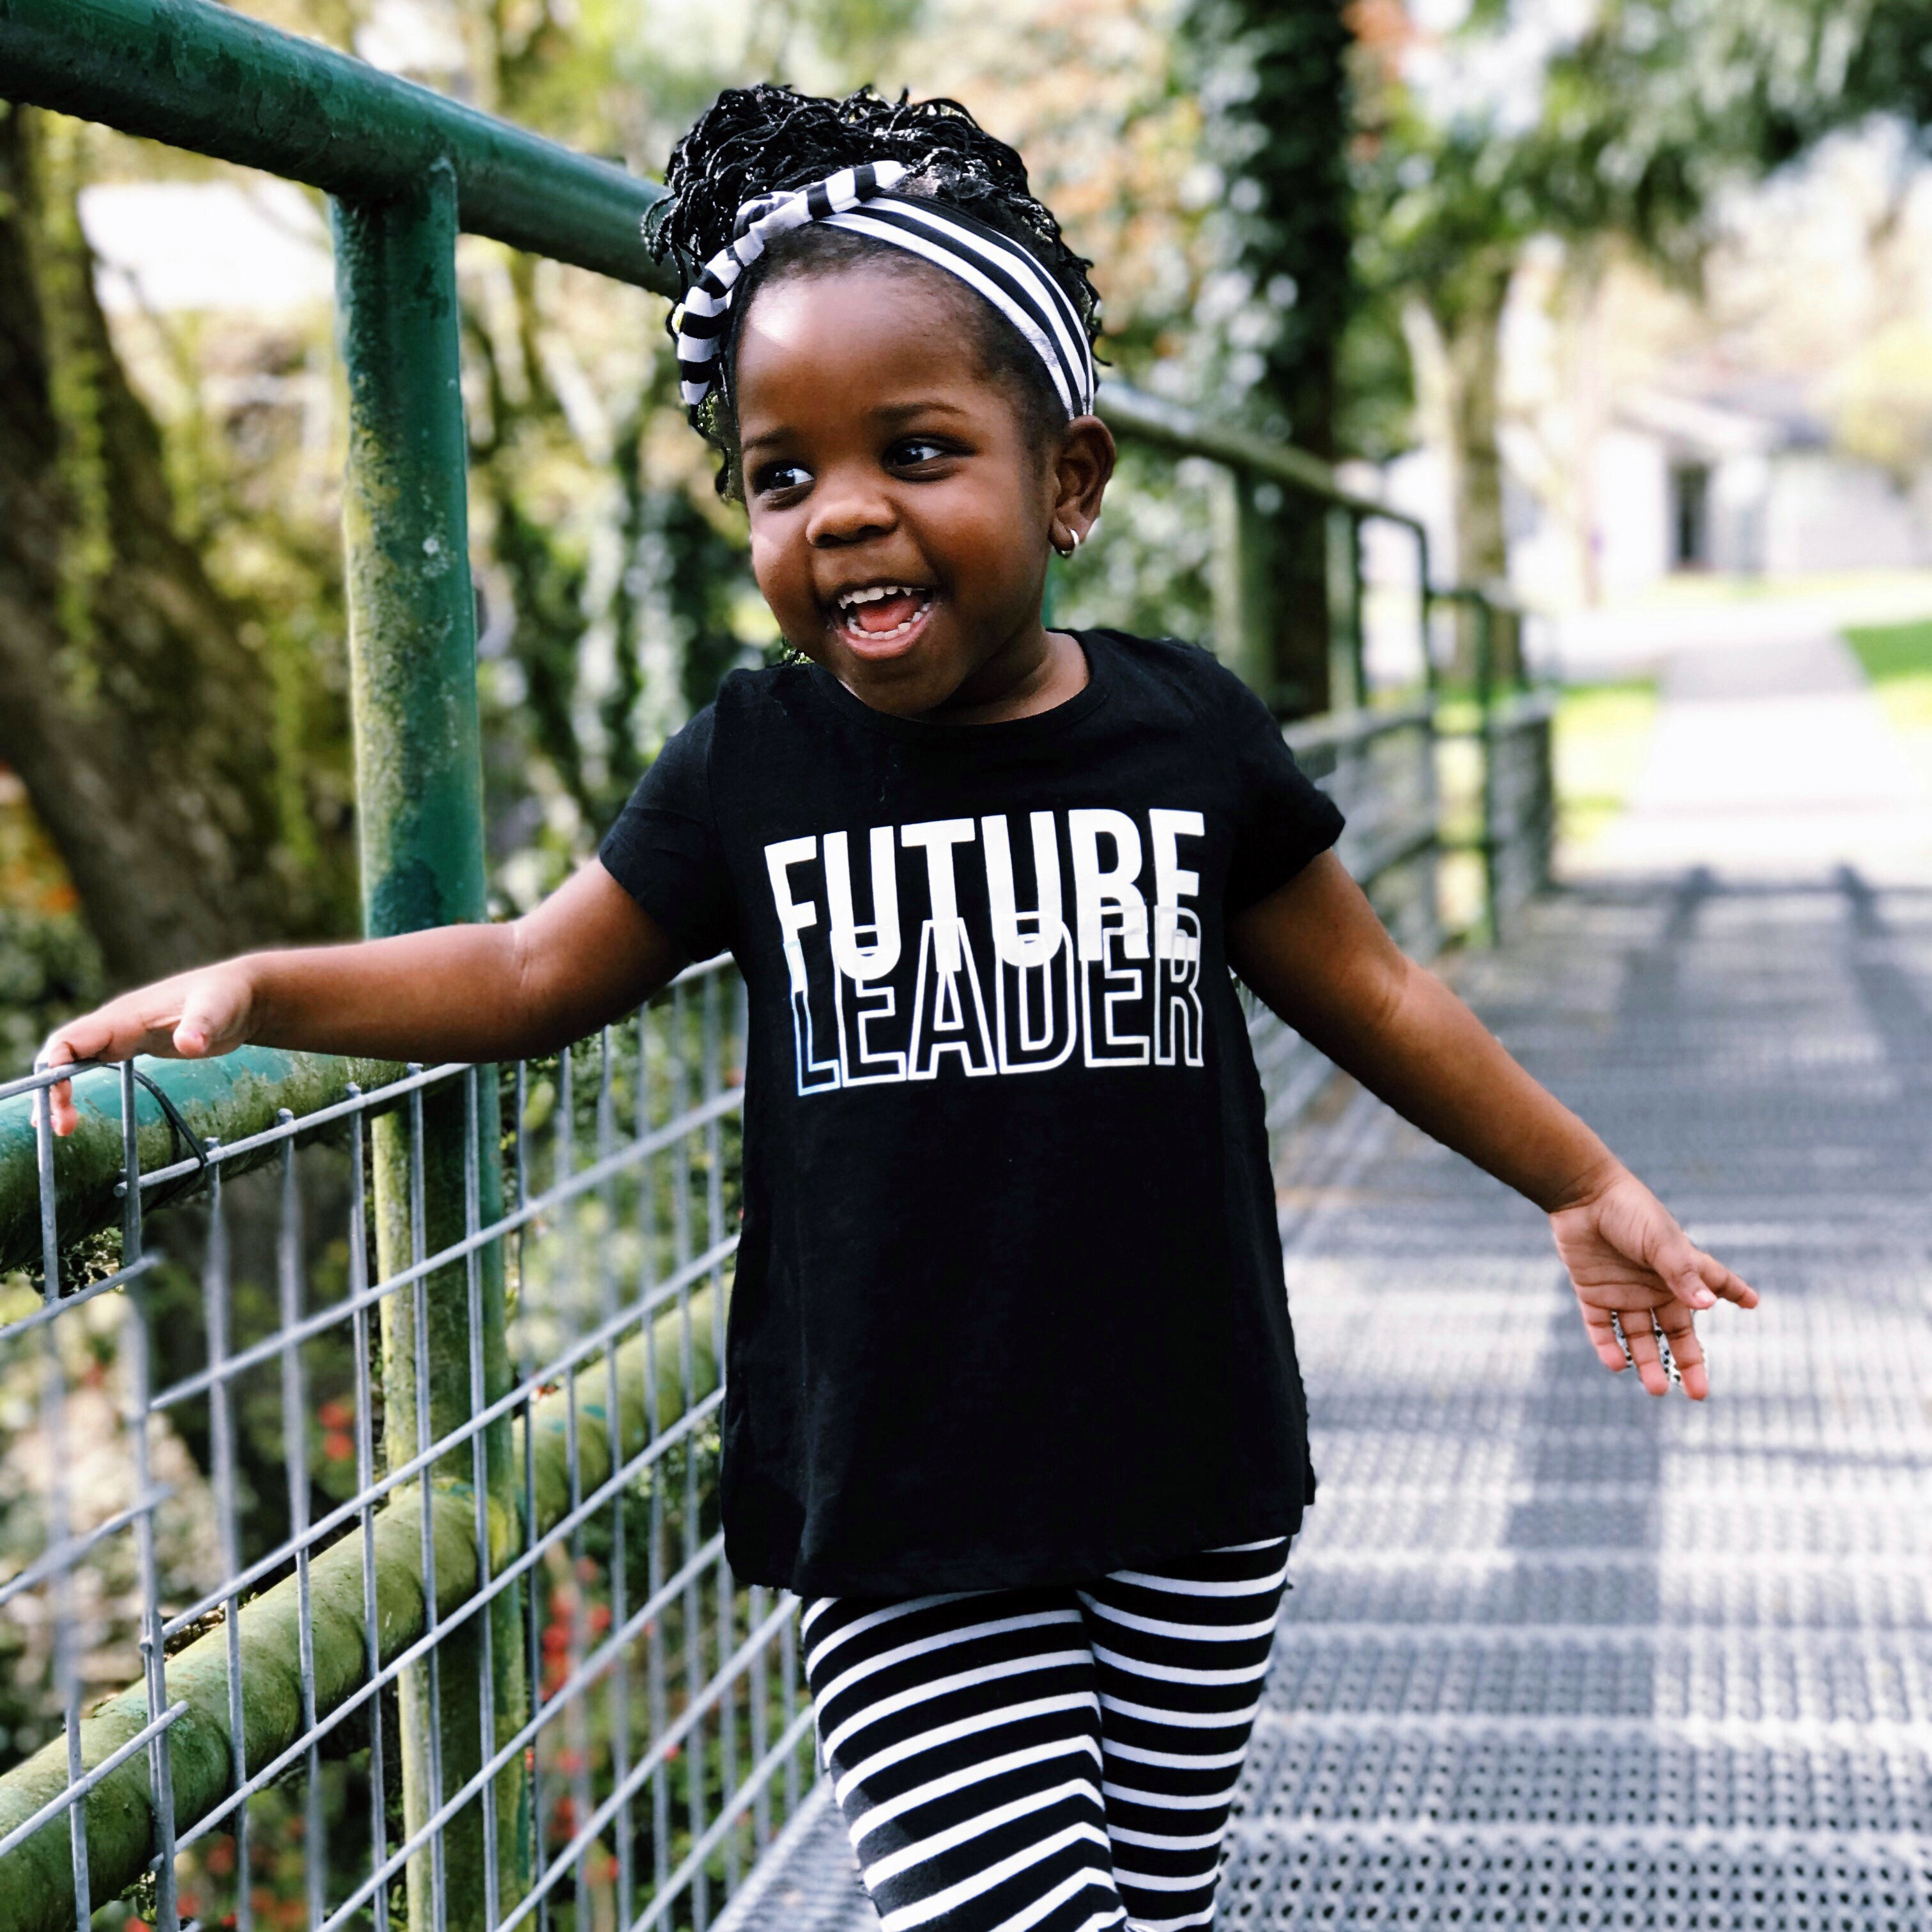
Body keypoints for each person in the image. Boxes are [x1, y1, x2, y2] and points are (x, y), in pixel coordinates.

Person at [42, 86, 1756, 1932]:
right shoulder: (750, 765)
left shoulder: (1185, 734)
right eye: (784, 476)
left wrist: (1580, 1183)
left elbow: (1379, 990)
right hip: (901, 1500)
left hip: (1190, 1475)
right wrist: (265, 986)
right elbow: (538, 970)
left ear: (1068, 482)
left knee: (1148, 1908)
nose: (846, 512)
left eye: (919, 451)